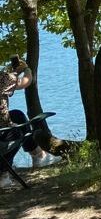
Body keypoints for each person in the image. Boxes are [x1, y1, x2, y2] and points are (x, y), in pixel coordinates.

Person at [1, 56, 60, 189]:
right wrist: (26, 69)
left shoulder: (4, 78)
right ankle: (3, 173)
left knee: (17, 115)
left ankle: (38, 155)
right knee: (18, 130)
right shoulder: (2, 79)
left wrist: (14, 72)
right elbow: (27, 81)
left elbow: (10, 79)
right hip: (2, 134)